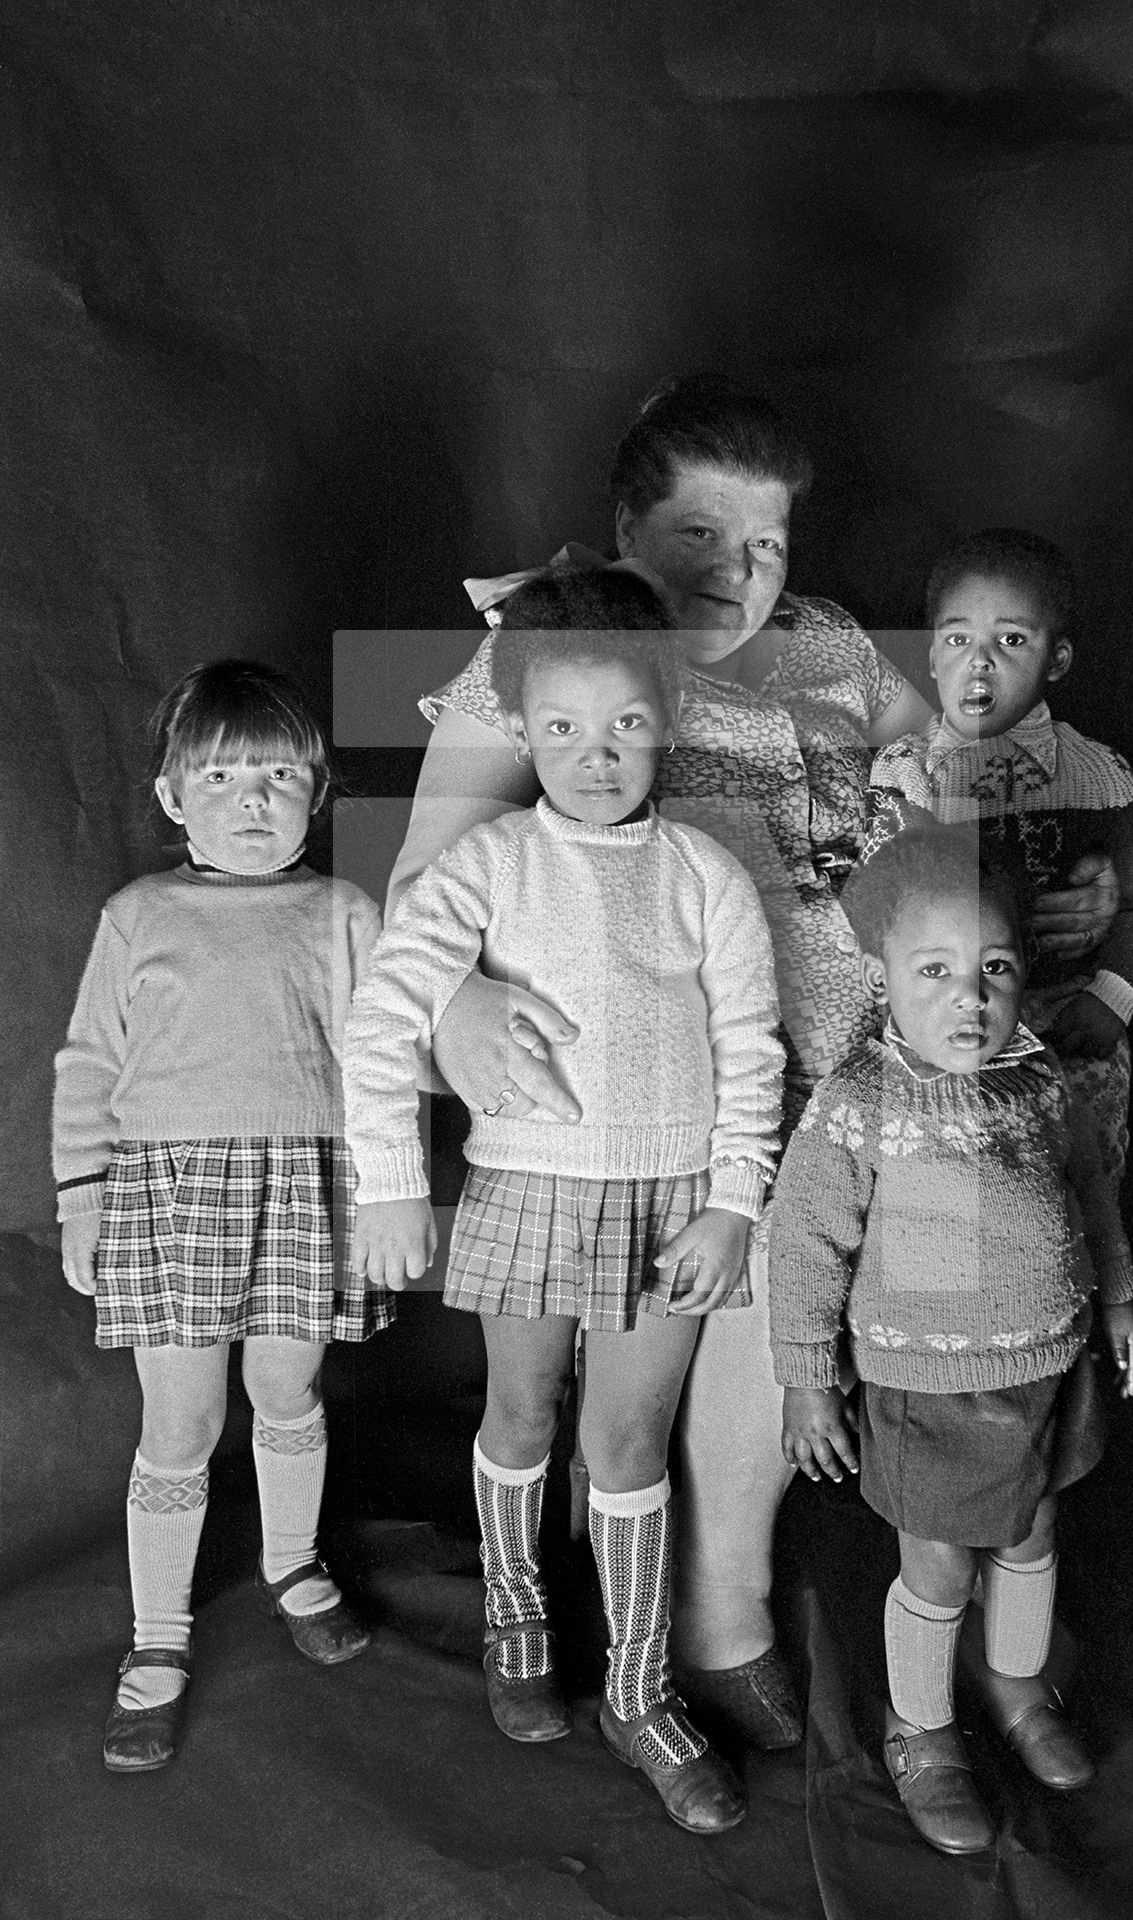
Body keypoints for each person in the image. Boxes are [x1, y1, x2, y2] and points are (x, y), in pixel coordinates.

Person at [385, 379, 1119, 1752]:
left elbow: (961, 781)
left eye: (770, 542)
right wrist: (456, 1015)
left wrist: (1014, 865)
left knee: (858, 1310)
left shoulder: (836, 650)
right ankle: (599, 1610)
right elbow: (423, 886)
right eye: (699, 532)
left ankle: (736, 1606)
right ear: (621, 529)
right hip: (654, 1089)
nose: (739, 572)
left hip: (856, 1086)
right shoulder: (561, 647)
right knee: (641, 1353)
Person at [343, 569, 784, 1835]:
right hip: (529, 1187)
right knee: (525, 1407)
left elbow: (749, 1049)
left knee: (628, 1446)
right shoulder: (485, 864)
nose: (597, 758)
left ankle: (638, 1692)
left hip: (674, 1201)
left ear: (669, 718)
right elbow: (386, 1014)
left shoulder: (704, 876)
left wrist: (733, 1204)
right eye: (564, 731)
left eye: (628, 727)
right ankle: (515, 1605)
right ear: (522, 727)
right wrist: (387, 1183)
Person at [768, 827, 1133, 1856]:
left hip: (1048, 1364)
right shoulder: (861, 1104)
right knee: (937, 1568)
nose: (966, 997)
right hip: (928, 1384)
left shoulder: (1042, 1083)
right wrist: (806, 1382)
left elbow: (1091, 1190)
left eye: (994, 969)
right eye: (933, 971)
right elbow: (802, 1246)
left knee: (1029, 1536)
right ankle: (920, 1729)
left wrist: (1115, 1299)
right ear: (882, 974)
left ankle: (1016, 1678)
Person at [53, 660, 390, 1774]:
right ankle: (157, 1637)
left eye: (281, 776)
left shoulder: (344, 912)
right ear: (172, 798)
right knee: (183, 1426)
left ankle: (293, 1560)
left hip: (306, 1185)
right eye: (224, 777)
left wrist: (385, 1194)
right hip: (166, 1193)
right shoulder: (137, 914)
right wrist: (82, 1198)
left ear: (319, 792)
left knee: (287, 1387)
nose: (254, 802)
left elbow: (380, 1066)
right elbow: (88, 1063)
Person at [862, 527, 1133, 1185]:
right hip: (947, 1010)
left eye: (1011, 641)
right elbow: (875, 903)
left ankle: (1087, 1275)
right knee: (947, 1172)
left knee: (1079, 1171)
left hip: (1067, 1014)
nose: (978, 663)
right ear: (929, 657)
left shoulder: (1101, 777)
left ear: (1056, 661)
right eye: (957, 640)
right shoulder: (903, 772)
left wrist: (1114, 995)